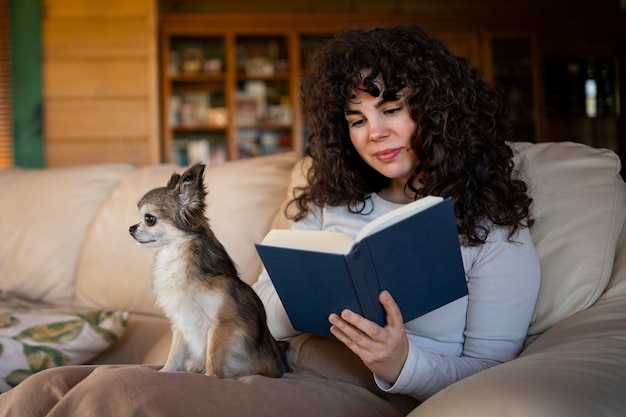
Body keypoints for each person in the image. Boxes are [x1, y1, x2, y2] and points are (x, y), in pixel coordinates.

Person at [0, 25, 540, 416]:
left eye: (391, 109)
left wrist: (402, 360)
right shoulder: (335, 203)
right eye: (357, 118)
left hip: (364, 391)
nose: (373, 132)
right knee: (39, 390)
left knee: (109, 399)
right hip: (268, 359)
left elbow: (492, 373)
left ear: (440, 110)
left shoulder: (493, 233)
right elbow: (260, 305)